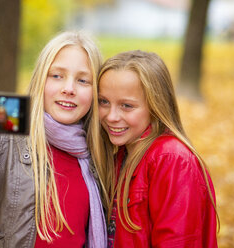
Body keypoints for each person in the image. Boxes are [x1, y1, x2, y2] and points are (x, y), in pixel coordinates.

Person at [0, 31, 107, 247]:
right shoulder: (1, 133)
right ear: (40, 79)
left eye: (83, 80)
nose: (68, 89)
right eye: (57, 75)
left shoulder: (99, 153)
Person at [93, 50, 218, 247]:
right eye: (104, 102)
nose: (111, 116)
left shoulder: (171, 159)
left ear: (155, 106)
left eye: (126, 105)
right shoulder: (123, 153)